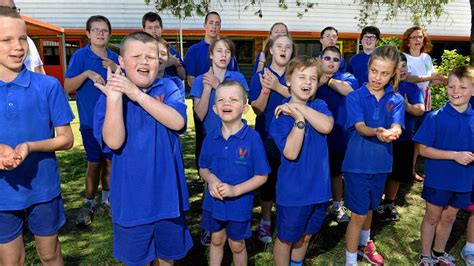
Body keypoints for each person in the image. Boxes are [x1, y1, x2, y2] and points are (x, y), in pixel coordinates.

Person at [93, 31, 192, 265]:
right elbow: (114, 142)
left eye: (150, 56)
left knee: (167, 259)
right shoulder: (108, 98)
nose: (144, 61)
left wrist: (135, 94)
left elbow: (177, 122)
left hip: (168, 199)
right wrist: (116, 98)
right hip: (131, 203)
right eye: (136, 56)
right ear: (121, 62)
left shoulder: (168, 87)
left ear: (159, 61)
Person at [0, 7, 74, 265]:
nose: (17, 47)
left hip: (43, 188)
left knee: (50, 254)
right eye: (6, 40)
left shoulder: (48, 85)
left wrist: (30, 146)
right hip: (2, 192)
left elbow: (66, 138)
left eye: (22, 38)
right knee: (11, 261)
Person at [342, 46, 404, 266]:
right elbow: (359, 127)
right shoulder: (355, 96)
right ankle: (350, 260)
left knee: (369, 208)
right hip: (357, 166)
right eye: (374, 71)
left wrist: (394, 131)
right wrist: (378, 131)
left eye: (385, 73)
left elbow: (397, 124)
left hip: (381, 166)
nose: (378, 77)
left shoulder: (395, 99)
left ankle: (365, 245)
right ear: (368, 68)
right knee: (358, 214)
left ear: (394, 73)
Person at [270, 55, 334, 266]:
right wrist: (299, 121)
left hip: (319, 189)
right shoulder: (281, 115)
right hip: (294, 193)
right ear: (288, 80)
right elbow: (291, 153)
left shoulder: (320, 105)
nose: (307, 82)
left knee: (306, 235)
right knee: (286, 238)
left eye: (312, 79)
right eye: (302, 77)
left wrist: (301, 109)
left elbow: (326, 126)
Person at [199, 80, 270, 266]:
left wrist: (235, 190)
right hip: (213, 202)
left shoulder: (253, 138)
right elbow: (203, 168)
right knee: (216, 240)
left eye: (233, 99)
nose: (226, 103)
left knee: (237, 245)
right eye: (221, 100)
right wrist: (211, 179)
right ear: (215, 108)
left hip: (239, 204)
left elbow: (262, 175)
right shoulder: (211, 136)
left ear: (245, 108)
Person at [414, 65, 473, 266]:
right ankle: (425, 256)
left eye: (463, 87)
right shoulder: (435, 117)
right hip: (439, 179)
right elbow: (423, 150)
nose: (456, 91)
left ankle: (438, 253)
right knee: (432, 217)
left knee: (449, 218)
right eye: (451, 86)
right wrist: (454, 155)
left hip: (463, 181)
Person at [64, 15, 118, 226]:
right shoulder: (80, 56)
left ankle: (107, 200)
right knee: (94, 163)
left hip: (113, 121)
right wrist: (87, 73)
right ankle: (88, 201)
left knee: (110, 162)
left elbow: (128, 83)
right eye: (95, 30)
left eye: (104, 30)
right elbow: (68, 87)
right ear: (87, 33)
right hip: (89, 122)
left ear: (110, 33)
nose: (100, 34)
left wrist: (115, 67)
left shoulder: (114, 56)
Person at [249, 35, 294, 243]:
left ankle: (286, 220)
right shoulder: (260, 74)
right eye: (279, 46)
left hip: (292, 137)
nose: (283, 50)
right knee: (268, 182)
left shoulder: (296, 75)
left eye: (287, 47)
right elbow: (257, 109)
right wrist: (268, 88)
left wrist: (278, 86)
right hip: (267, 136)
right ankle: (265, 222)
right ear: (272, 51)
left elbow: (301, 100)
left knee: (287, 181)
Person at [376, 53, 424, 221]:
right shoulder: (382, 86)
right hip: (381, 138)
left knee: (396, 173)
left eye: (405, 66)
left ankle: (389, 202)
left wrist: (406, 105)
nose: (402, 70)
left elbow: (420, 110)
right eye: (399, 66)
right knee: (381, 172)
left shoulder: (411, 88)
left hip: (403, 139)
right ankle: (375, 203)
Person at [315, 46, 359, 223]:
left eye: (335, 59)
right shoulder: (312, 77)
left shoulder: (347, 77)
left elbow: (349, 91)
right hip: (315, 132)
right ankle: (317, 205)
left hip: (339, 132)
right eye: (327, 58)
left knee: (336, 171)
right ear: (320, 60)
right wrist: (319, 79)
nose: (332, 62)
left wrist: (328, 81)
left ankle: (337, 205)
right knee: (317, 169)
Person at [401, 26, 444, 182]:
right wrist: (430, 78)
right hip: (410, 98)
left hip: (425, 98)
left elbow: (430, 76)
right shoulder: (403, 57)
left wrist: (440, 80)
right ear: (408, 40)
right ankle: (404, 169)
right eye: (413, 37)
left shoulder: (426, 57)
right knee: (409, 136)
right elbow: (410, 78)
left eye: (420, 37)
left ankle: (411, 170)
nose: (417, 40)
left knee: (420, 137)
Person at [190, 37, 248, 136]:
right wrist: (207, 89)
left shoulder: (238, 78)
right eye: (219, 51)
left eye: (228, 52)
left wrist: (217, 86)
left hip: (235, 136)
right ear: (211, 55)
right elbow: (199, 116)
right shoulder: (200, 80)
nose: (224, 55)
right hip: (209, 138)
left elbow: (241, 108)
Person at [0, 0, 46, 74]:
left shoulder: (28, 41)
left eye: (13, 10)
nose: (18, 46)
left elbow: (39, 70)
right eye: (3, 10)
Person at [142, 12, 186, 80]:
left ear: (162, 29)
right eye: (149, 28)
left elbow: (183, 76)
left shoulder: (171, 50)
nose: (153, 31)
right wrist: (168, 62)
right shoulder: (139, 50)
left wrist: (177, 64)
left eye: (156, 27)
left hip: (172, 87)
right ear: (144, 30)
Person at [156, 38, 185, 102]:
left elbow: (178, 110)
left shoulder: (176, 83)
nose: (159, 57)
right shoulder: (138, 82)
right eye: (156, 53)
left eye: (163, 54)